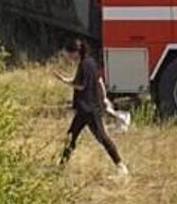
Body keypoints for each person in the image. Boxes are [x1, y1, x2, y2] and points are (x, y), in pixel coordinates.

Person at [54, 39, 127, 175]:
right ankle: (61, 166)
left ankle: (121, 166)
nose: (69, 58)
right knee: (71, 136)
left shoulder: (84, 65)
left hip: (89, 108)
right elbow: (99, 81)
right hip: (85, 108)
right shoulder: (92, 63)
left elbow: (81, 85)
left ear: (76, 53)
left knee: (102, 137)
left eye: (69, 55)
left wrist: (65, 81)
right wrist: (104, 98)